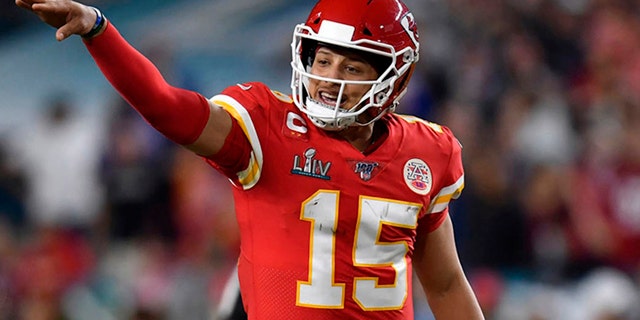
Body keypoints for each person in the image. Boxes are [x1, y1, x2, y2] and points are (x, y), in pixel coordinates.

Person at [16, 0, 484, 319]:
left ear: (394, 80)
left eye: (352, 67)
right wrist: (100, 30)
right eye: (322, 60)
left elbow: (443, 283)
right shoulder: (267, 126)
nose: (328, 78)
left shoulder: (429, 152)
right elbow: (166, 106)